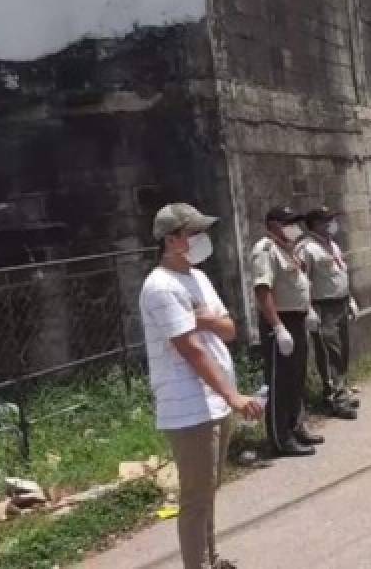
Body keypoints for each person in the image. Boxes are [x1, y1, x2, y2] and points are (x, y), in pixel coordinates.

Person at [140, 203, 262, 569]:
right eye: (194, 232)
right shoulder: (159, 286)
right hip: (189, 407)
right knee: (195, 499)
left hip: (213, 402)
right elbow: (191, 350)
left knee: (208, 491)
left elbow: (229, 328)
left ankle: (210, 559)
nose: (202, 239)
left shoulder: (197, 278)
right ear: (173, 239)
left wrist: (205, 317)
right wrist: (234, 396)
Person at [251, 205, 322, 457]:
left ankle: (295, 426)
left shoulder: (288, 250)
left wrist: (309, 310)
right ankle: (280, 439)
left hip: (297, 319)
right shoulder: (265, 250)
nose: (294, 227)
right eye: (288, 222)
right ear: (272, 225)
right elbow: (262, 291)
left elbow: (301, 284)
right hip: (279, 322)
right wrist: (278, 327)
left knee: (296, 377)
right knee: (280, 382)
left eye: (295, 222)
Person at [298, 206, 360, 420]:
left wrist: (350, 299)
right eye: (326, 220)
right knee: (329, 352)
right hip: (323, 307)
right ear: (314, 224)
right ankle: (335, 397)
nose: (332, 224)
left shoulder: (331, 245)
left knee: (342, 351)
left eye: (332, 219)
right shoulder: (307, 249)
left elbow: (341, 273)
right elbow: (302, 282)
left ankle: (342, 389)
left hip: (340, 303)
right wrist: (309, 310)